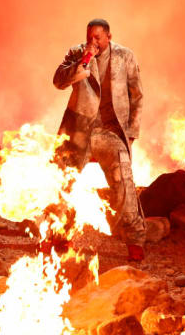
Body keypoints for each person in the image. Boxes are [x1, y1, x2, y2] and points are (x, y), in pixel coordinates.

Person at [53, 18, 146, 261]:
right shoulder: (77, 53)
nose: (92, 42)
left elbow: (137, 95)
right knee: (63, 182)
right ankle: (59, 236)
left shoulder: (125, 56)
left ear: (108, 36)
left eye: (97, 38)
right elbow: (59, 82)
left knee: (123, 183)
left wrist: (132, 132)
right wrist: (83, 61)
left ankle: (135, 240)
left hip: (111, 131)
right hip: (79, 130)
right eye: (89, 37)